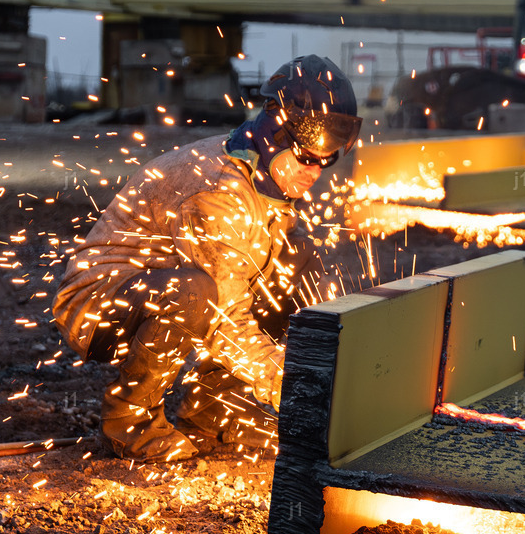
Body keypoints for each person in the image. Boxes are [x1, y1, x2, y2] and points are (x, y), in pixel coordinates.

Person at [53, 55, 362, 462]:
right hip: (99, 303)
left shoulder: (267, 177)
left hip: (174, 290)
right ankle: (126, 424)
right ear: (275, 129)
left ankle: (212, 408)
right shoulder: (217, 190)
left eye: (329, 157)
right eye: (307, 156)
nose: (316, 169)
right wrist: (288, 384)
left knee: (299, 260)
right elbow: (225, 315)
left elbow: (254, 282)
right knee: (196, 292)